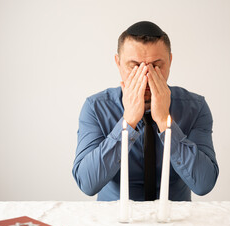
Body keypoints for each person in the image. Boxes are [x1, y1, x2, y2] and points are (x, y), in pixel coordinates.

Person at [72, 21, 219, 201]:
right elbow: (87, 184)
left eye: (156, 66)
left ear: (170, 61)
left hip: (175, 221)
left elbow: (204, 184)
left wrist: (165, 122)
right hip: (114, 221)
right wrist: (128, 122)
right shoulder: (96, 107)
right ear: (118, 63)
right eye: (134, 66)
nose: (146, 76)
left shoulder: (195, 107)